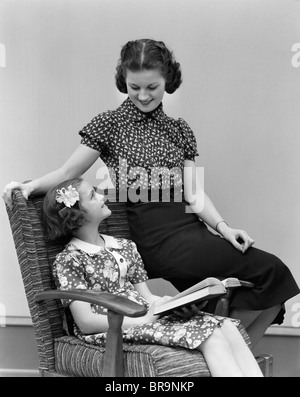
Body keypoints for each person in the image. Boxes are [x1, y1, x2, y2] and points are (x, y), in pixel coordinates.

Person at [3, 38, 299, 348]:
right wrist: (30, 186)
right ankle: (221, 361)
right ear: (124, 82)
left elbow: (194, 192)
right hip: (155, 240)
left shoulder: (179, 129)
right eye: (134, 87)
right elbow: (67, 173)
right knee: (272, 272)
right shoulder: (109, 124)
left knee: (271, 293)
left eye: (152, 87)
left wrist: (224, 228)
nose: (143, 96)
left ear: (167, 83)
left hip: (190, 232)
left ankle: (219, 362)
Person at [42, 177, 264, 377]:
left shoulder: (125, 247)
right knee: (211, 337)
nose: (101, 195)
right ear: (76, 216)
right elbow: (86, 322)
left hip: (147, 317)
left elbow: (146, 296)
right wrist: (144, 319)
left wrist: (173, 305)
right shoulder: (70, 259)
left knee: (227, 327)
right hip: (113, 328)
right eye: (92, 195)